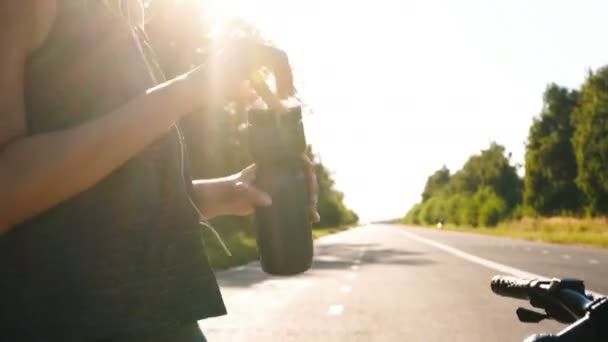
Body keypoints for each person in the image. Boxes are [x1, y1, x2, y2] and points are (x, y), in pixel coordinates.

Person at [0, 0, 320, 341]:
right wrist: (190, 88)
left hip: (168, 320)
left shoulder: (120, 16)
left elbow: (99, 205)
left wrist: (227, 191)